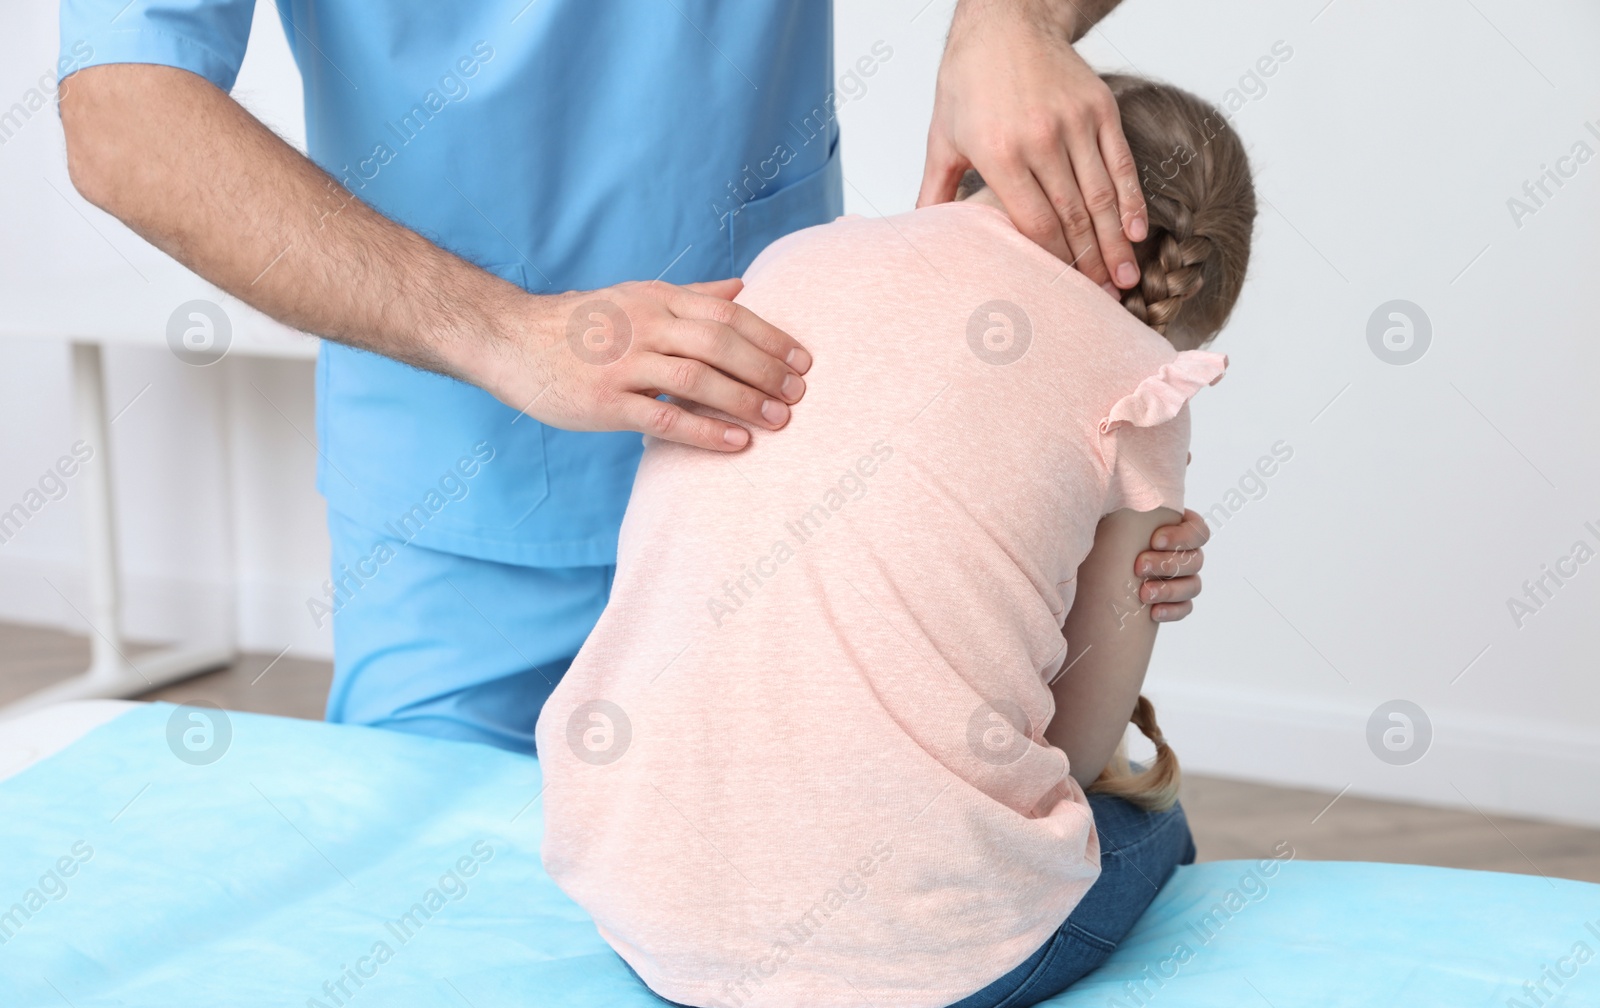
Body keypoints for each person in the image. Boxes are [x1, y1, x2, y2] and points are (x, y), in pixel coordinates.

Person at [57, 0, 1208, 751]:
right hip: (454, 490)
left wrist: (1012, 22)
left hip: (780, 460)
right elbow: (121, 109)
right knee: (430, 926)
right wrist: (500, 331)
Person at [535, 74, 1257, 1008]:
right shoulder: (1142, 378)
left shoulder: (796, 258)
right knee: (1156, 828)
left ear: (998, 159)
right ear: (1173, 303)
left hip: (642, 908)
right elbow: (1078, 753)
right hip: (936, 955)